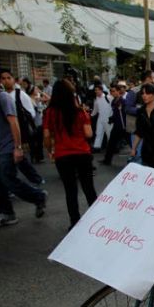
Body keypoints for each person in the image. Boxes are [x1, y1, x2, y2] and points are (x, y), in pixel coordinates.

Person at [0, 63, 48, 228]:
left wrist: (17, 147)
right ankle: (6, 214)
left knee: (9, 181)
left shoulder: (1, 96)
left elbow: (13, 122)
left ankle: (38, 197)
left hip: (6, 147)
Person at [42, 79, 98, 230]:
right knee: (88, 187)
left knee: (70, 189)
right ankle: (98, 219)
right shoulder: (80, 112)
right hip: (82, 153)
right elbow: (88, 133)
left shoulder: (49, 112)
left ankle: (75, 221)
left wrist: (50, 151)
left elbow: (46, 135)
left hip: (62, 155)